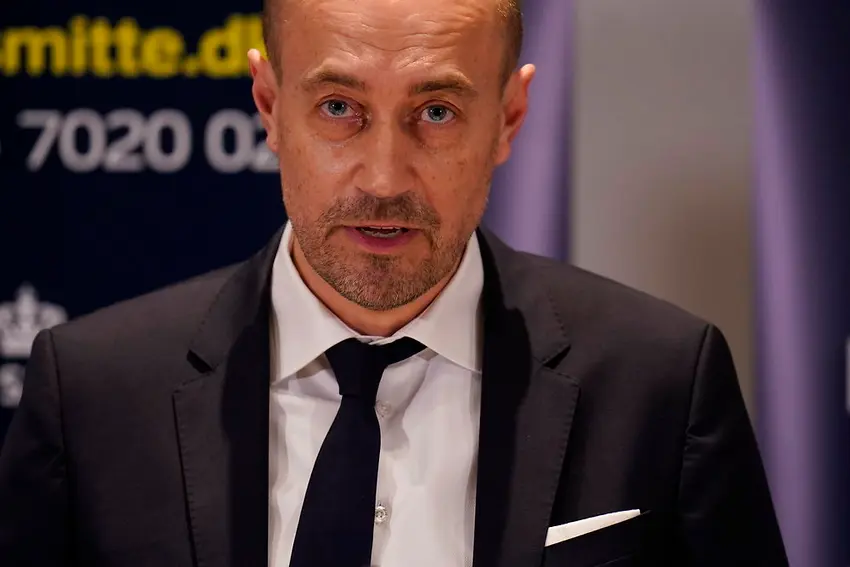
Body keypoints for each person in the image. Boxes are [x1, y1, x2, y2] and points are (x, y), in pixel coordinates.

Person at [0, 0, 788, 565]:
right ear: (270, 106)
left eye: (436, 112)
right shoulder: (92, 393)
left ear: (509, 118)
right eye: (338, 107)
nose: (383, 178)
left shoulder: (662, 382)